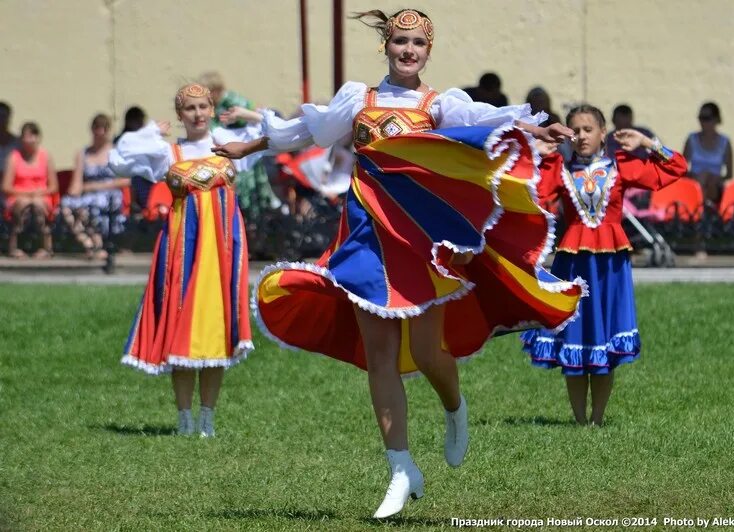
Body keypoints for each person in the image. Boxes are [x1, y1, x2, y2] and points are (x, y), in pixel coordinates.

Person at [213, 8, 584, 519]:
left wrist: (535, 129)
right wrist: (245, 146)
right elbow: (308, 130)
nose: (409, 50)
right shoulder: (357, 99)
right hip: (364, 239)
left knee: (430, 353)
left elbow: (484, 124)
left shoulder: (438, 104)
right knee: (380, 357)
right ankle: (400, 466)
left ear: (429, 51)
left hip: (421, 245)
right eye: (400, 42)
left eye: (418, 44)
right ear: (386, 45)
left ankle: (455, 409)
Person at [109, 84, 264, 437]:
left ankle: (207, 419)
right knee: (181, 322)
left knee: (216, 325)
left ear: (212, 109)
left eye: (203, 107)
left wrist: (246, 115)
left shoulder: (227, 143)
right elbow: (118, 158)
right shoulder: (168, 152)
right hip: (181, 248)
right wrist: (150, 131)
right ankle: (184, 420)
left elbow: (276, 133)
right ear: (180, 115)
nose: (197, 114)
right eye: (190, 109)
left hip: (223, 248)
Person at [521, 105, 687, 426]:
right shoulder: (559, 168)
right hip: (573, 265)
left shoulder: (621, 166)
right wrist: (535, 153)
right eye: (575, 130)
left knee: (605, 337)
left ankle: (597, 418)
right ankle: (580, 420)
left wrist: (648, 143)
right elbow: (529, 194)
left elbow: (676, 167)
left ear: (602, 133)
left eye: (588, 129)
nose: (581, 136)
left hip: (611, 267)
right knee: (574, 336)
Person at [199, 71, 279, 217]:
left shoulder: (231, 100)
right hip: (228, 151)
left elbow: (255, 113)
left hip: (244, 149)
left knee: (249, 188)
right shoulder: (211, 107)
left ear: (216, 90)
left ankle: (256, 221)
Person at [61, 114, 130, 260]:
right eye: (97, 128)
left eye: (103, 128)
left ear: (108, 130)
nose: (100, 132)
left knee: (94, 204)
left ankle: (97, 245)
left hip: (110, 194)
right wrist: (75, 191)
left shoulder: (117, 152)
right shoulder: (83, 153)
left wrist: (95, 186)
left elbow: (126, 180)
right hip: (89, 195)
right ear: (92, 130)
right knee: (67, 205)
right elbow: (77, 182)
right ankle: (90, 243)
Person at [2, 122, 57, 259]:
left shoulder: (46, 156)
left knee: (38, 204)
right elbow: (5, 186)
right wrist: (27, 194)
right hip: (18, 196)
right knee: (23, 204)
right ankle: (15, 247)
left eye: (32, 135)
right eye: (25, 136)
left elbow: (53, 186)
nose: (29, 139)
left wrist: (37, 193)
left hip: (41, 195)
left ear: (38, 137)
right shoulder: (13, 157)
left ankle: (46, 248)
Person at [683, 102, 732, 204]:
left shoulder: (725, 142)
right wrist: (696, 176)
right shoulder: (692, 139)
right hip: (695, 184)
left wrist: (715, 178)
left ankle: (703, 208)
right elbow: (682, 168)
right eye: (701, 118)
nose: (703, 122)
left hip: (714, 188)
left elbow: (729, 174)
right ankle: (702, 208)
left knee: (710, 182)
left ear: (716, 119)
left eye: (707, 118)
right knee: (702, 179)